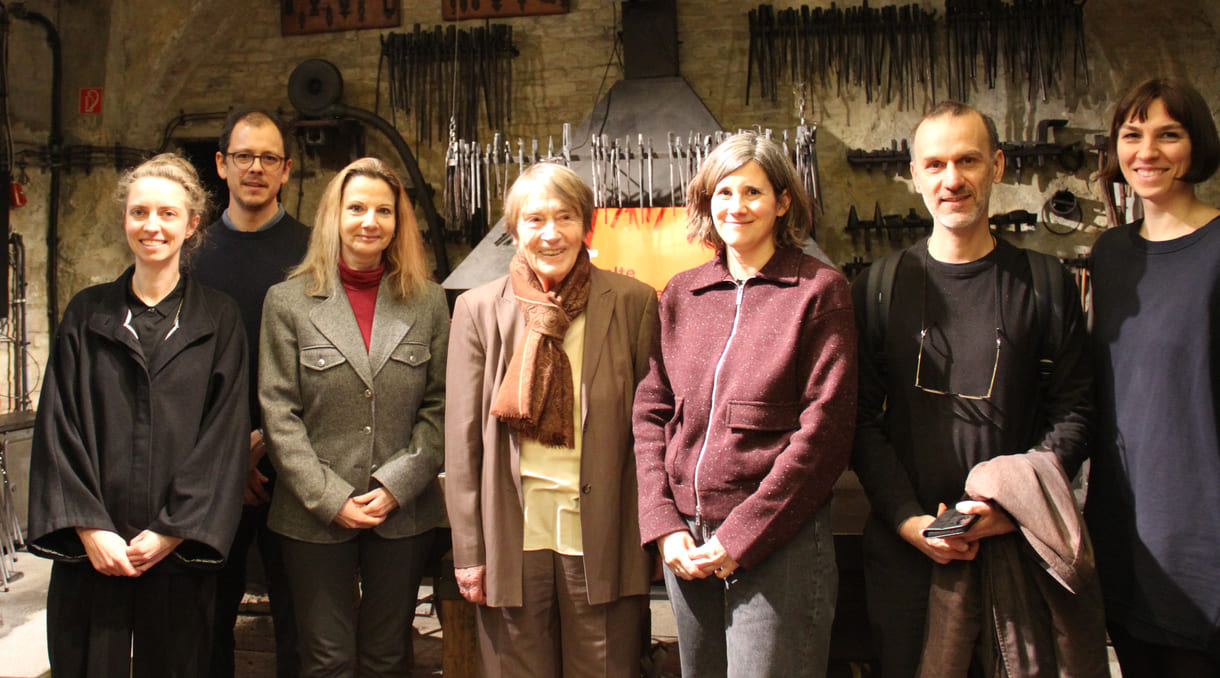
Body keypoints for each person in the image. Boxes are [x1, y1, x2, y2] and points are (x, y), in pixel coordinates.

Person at [851, 101, 1100, 677]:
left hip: (1018, 548)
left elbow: (1077, 413)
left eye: (968, 160)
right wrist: (910, 521)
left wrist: (1013, 508)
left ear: (998, 166)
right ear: (915, 175)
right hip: (908, 556)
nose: (952, 179)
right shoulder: (878, 288)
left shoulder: (1045, 284)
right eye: (935, 164)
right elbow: (858, 420)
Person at [632, 131, 857, 678]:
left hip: (780, 539)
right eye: (724, 192)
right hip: (688, 539)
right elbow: (650, 413)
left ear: (782, 203)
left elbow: (824, 433)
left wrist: (740, 536)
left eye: (753, 192)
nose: (737, 206)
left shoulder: (818, 290)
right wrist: (663, 525)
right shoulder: (683, 293)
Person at [26, 153, 249, 678]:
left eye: (168, 214)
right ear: (125, 218)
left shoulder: (218, 319)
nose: (152, 226)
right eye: (139, 212)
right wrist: (88, 527)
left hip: (175, 553)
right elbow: (59, 427)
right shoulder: (87, 314)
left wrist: (175, 529)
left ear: (192, 224)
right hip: (93, 554)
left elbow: (224, 436)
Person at [445, 162, 657, 678]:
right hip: (511, 536)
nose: (550, 233)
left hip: (606, 535)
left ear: (587, 226)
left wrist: (651, 534)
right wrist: (470, 550)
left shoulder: (633, 302)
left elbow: (653, 431)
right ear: (513, 230)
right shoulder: (478, 310)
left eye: (565, 217)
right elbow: (462, 442)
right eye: (534, 219)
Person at [259, 157, 448, 678]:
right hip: (312, 512)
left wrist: (397, 485)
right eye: (357, 207)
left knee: (389, 656)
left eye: (383, 210)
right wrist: (329, 496)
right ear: (333, 216)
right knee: (326, 659)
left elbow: (441, 404)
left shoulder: (427, 302)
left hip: (402, 512)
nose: (370, 221)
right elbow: (279, 412)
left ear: (398, 222)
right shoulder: (288, 302)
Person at [1088, 78, 1220, 676]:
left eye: (1169, 134)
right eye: (1132, 134)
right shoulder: (1111, 254)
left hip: (1204, 534)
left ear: (1198, 146)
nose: (1147, 151)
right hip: (1124, 530)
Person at [192, 106, 310, 678]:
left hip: (300, 466)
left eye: (268, 158)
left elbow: (325, 363)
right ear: (221, 164)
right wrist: (231, 451)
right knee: (207, 619)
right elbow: (183, 372)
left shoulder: (317, 254)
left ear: (286, 169)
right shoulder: (192, 255)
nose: (256, 168)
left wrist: (268, 442)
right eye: (244, 156)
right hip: (211, 468)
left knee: (302, 621)